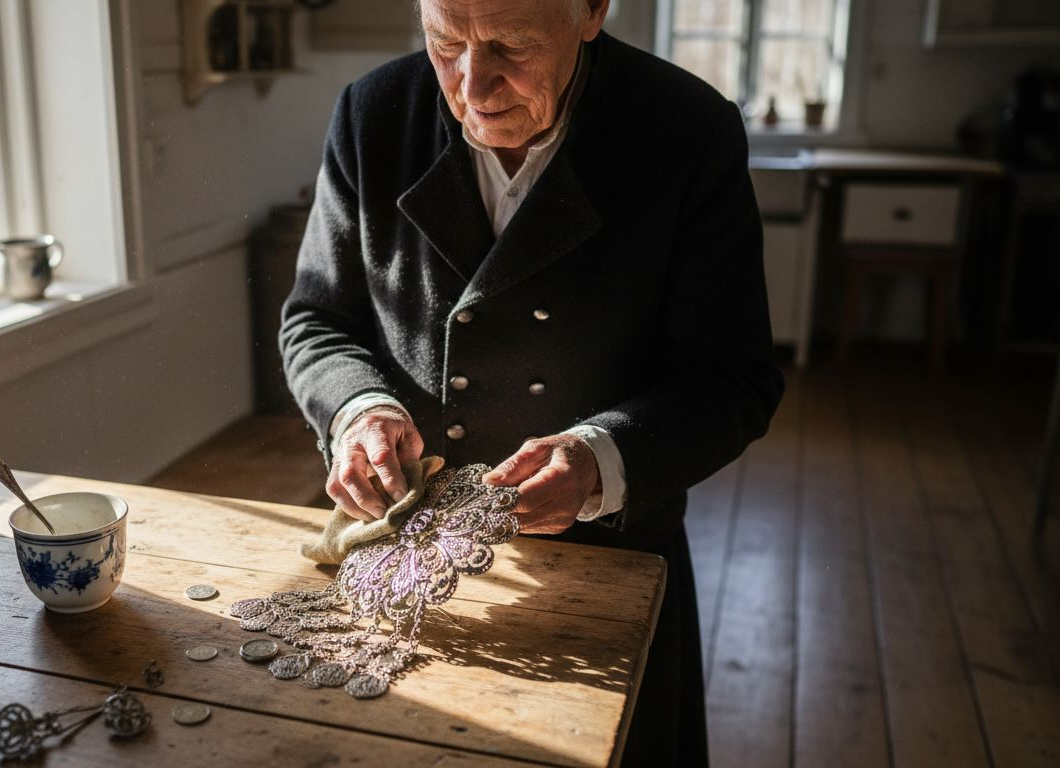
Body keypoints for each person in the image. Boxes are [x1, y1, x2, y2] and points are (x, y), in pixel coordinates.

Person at [279, 1, 784, 765]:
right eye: (446, 43)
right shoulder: (373, 113)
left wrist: (600, 458)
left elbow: (734, 376)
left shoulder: (686, 130)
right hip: (404, 550)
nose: (473, 86)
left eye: (510, 46)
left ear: (591, 10)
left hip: (613, 556)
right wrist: (359, 407)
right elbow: (316, 320)